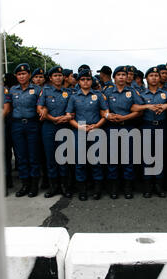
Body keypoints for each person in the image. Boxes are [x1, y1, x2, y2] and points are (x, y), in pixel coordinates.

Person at [66, 69, 108, 201]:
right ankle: (82, 190)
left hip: (95, 130)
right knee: (80, 162)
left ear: (92, 81)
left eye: (88, 79)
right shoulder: (74, 97)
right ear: (79, 81)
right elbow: (69, 116)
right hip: (79, 131)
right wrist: (79, 127)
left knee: (96, 161)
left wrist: (97, 125)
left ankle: (97, 189)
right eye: (83, 79)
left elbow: (105, 113)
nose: (85, 82)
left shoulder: (98, 95)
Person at [103, 66, 143, 199]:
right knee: (112, 158)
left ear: (127, 77)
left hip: (128, 127)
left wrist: (124, 117)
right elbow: (102, 109)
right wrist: (108, 116)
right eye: (118, 74)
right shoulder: (107, 92)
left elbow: (140, 110)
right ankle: (114, 187)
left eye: (123, 75)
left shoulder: (132, 92)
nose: (121, 77)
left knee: (128, 158)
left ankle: (127, 187)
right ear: (114, 77)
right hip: (112, 128)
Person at [131, 67, 167, 198]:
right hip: (147, 126)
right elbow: (134, 107)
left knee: (160, 156)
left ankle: (159, 185)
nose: (154, 77)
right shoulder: (141, 94)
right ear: (146, 78)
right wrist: (147, 106)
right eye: (151, 75)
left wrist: (166, 106)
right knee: (147, 157)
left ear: (160, 78)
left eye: (156, 75)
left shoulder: (165, 93)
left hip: (161, 126)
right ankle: (147, 186)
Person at [37, 66, 73, 198]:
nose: (58, 78)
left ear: (63, 77)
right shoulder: (45, 91)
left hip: (64, 127)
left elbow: (72, 110)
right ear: (51, 78)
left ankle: (64, 186)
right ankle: (53, 187)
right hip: (49, 127)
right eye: (55, 76)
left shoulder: (68, 92)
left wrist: (65, 117)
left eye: (60, 75)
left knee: (63, 157)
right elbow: (39, 108)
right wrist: (52, 118)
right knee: (50, 157)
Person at [10, 63, 43, 198]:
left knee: (33, 155)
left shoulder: (37, 90)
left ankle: (34, 185)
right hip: (17, 125)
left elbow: (41, 106)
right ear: (16, 76)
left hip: (32, 125)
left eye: (24, 74)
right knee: (21, 156)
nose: (22, 76)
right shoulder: (12, 90)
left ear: (29, 75)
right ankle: (25, 184)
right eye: (19, 74)